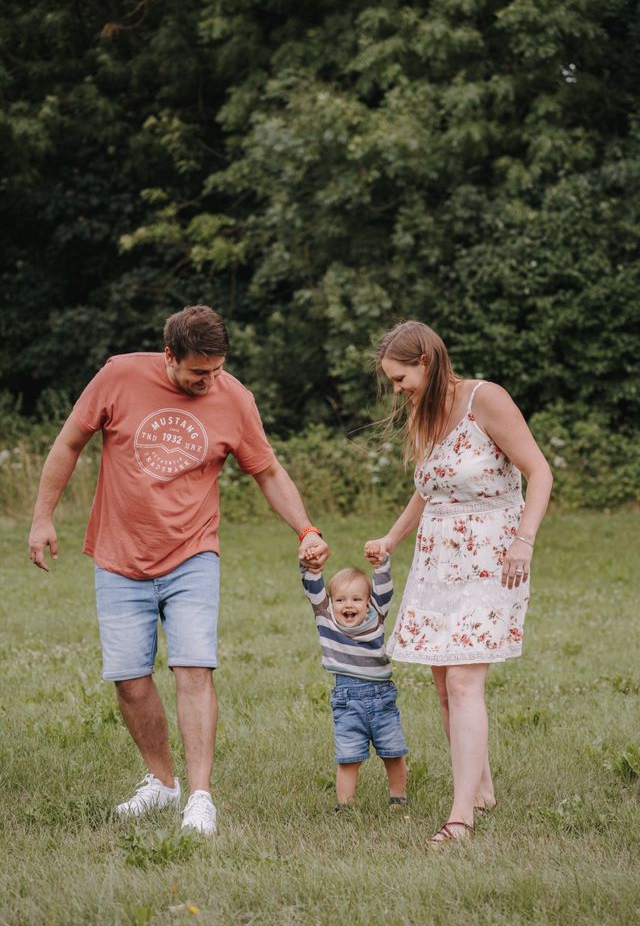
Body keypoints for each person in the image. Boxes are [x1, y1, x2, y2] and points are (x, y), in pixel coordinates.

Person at [28, 305, 330, 835]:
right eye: (198, 373)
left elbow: (267, 471)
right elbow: (69, 442)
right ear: (170, 356)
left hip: (193, 553)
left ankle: (199, 797)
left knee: (194, 668)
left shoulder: (233, 397)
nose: (209, 381)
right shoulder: (119, 375)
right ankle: (162, 784)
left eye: (216, 370)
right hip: (120, 555)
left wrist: (306, 529)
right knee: (128, 679)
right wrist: (42, 518)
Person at [366, 320, 552, 844]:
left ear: (425, 361)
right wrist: (393, 539)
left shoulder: (484, 399)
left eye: (401, 378)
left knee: (466, 683)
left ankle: (461, 816)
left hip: (494, 555)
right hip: (437, 561)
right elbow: (429, 489)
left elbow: (539, 472)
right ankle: (483, 789)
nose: (397, 390)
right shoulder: (424, 411)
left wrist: (525, 539)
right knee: (445, 687)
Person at [300, 541, 408, 812]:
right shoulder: (326, 619)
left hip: (382, 697)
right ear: (331, 603)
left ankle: (398, 798)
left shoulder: (377, 616)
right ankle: (345, 806)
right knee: (348, 758)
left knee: (393, 753)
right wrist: (310, 566)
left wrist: (381, 564)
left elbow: (384, 589)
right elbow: (312, 588)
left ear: (369, 603)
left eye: (357, 599)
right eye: (340, 600)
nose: (348, 605)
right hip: (347, 700)